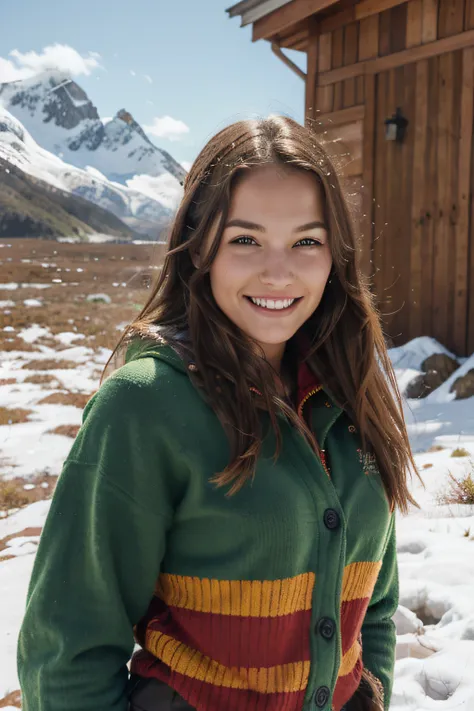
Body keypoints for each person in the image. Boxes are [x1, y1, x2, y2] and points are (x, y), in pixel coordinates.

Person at [17, 115, 422, 711]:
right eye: (245, 239)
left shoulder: (352, 390)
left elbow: (375, 605)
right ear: (200, 247)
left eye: (307, 240)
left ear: (336, 253)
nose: (278, 271)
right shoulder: (145, 406)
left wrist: (372, 692)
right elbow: (67, 651)